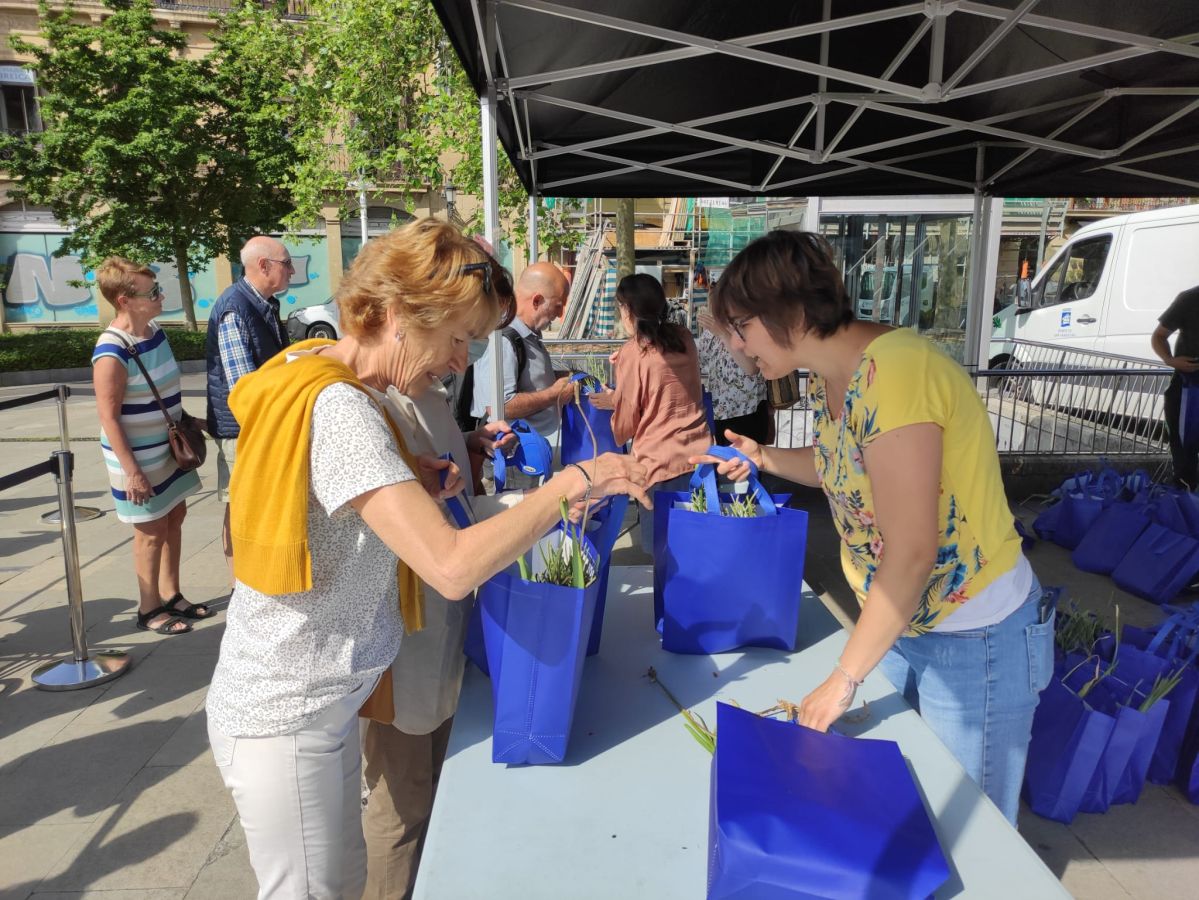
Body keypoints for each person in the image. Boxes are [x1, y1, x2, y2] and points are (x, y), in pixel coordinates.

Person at [205, 219, 648, 899]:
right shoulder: (342, 409)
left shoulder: (323, 370)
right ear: (393, 314)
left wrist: (412, 471)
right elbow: (448, 565)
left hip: (317, 699)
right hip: (288, 709)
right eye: (456, 338)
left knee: (342, 879)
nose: (460, 360)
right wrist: (571, 485)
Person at [699, 230, 1052, 826]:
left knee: (971, 829)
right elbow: (841, 465)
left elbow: (913, 551)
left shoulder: (897, 372)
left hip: (973, 634)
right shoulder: (832, 376)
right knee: (904, 809)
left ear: (792, 311)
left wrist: (843, 676)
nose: (735, 346)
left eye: (740, 326)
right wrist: (763, 458)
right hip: (899, 624)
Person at [91, 258, 206, 635]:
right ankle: (148, 608)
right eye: (152, 292)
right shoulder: (111, 351)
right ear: (125, 300)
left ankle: (172, 595)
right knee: (150, 530)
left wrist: (190, 422)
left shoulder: (154, 331)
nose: (160, 296)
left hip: (168, 446)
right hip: (136, 455)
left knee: (174, 516)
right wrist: (132, 472)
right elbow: (108, 417)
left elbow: (164, 391)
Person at [589, 273, 710, 554]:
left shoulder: (634, 353)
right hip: (700, 457)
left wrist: (614, 398)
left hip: (659, 464)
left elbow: (626, 425)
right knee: (696, 548)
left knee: (664, 554)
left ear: (627, 310)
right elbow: (663, 385)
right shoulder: (683, 338)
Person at [204, 235, 291, 582]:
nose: (292, 270)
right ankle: (241, 587)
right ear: (263, 265)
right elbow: (244, 386)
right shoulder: (234, 308)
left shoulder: (263, 304)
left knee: (257, 507)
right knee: (240, 508)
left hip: (259, 427)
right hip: (241, 431)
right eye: (287, 263)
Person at [470, 261, 574, 443]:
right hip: (516, 458)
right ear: (537, 300)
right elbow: (499, 406)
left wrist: (556, 378)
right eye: (558, 305)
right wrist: (554, 394)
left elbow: (525, 380)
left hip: (530, 450)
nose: (559, 314)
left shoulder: (526, 334)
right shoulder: (504, 339)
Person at [696, 307, 771, 446]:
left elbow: (752, 368)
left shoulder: (748, 326)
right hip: (721, 412)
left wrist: (723, 333)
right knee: (725, 463)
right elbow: (697, 359)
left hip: (748, 412)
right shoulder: (710, 333)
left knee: (750, 464)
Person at [1151, 282, 1199, 488]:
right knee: (1184, 459)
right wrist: (1170, 360)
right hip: (1189, 387)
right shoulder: (1189, 299)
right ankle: (1183, 507)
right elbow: (1159, 336)